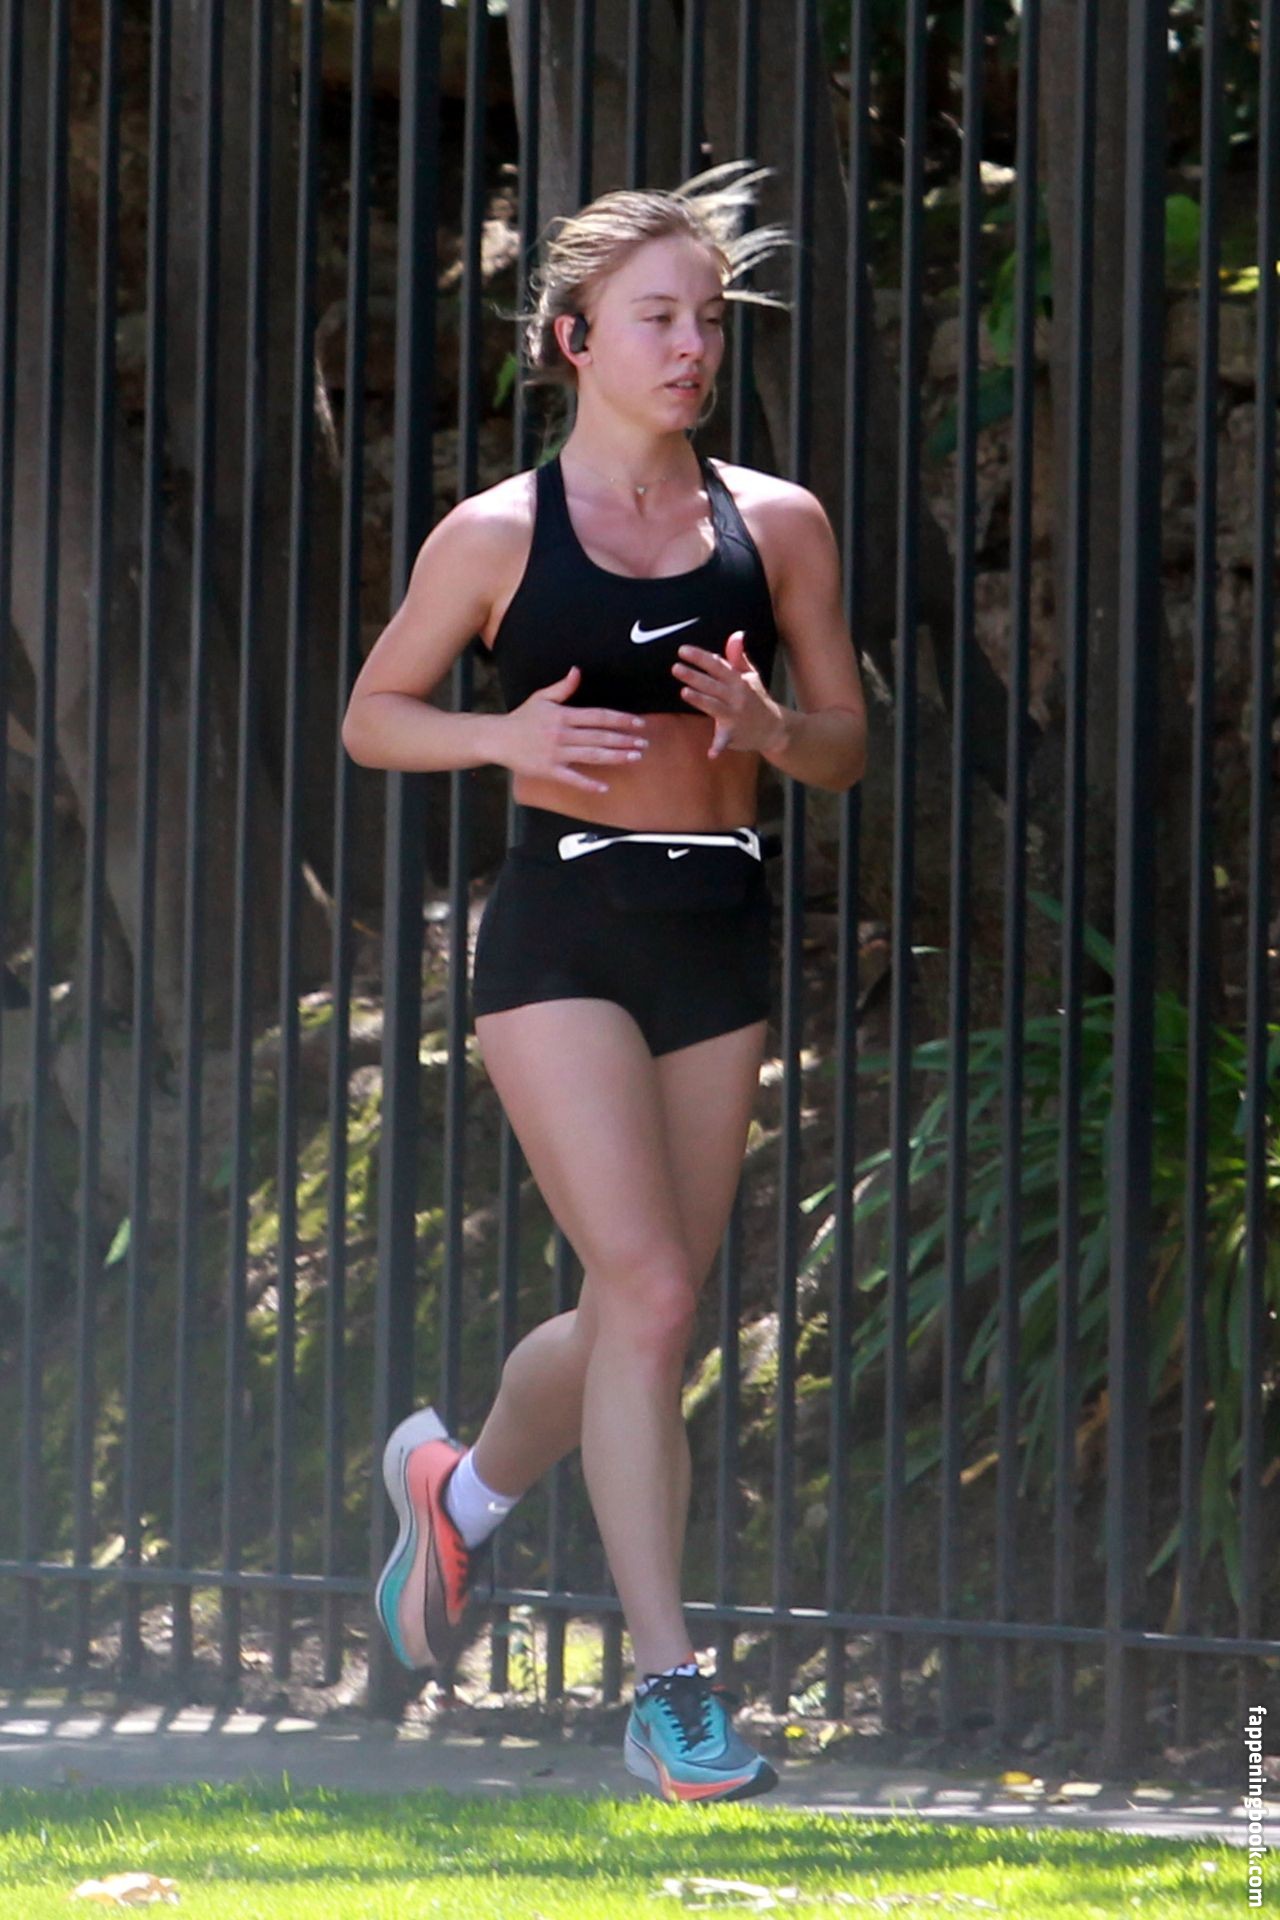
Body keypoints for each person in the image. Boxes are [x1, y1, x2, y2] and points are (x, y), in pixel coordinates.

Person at [341, 161, 867, 1804]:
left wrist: (774, 730)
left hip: (715, 921)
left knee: (651, 1307)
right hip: (559, 929)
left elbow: (846, 748)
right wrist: (498, 733)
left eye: (708, 318)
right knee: (644, 1286)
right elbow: (375, 715)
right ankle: (671, 1690)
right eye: (658, 319)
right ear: (575, 339)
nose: (692, 346)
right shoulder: (499, 533)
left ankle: (460, 1497)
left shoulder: (777, 524)